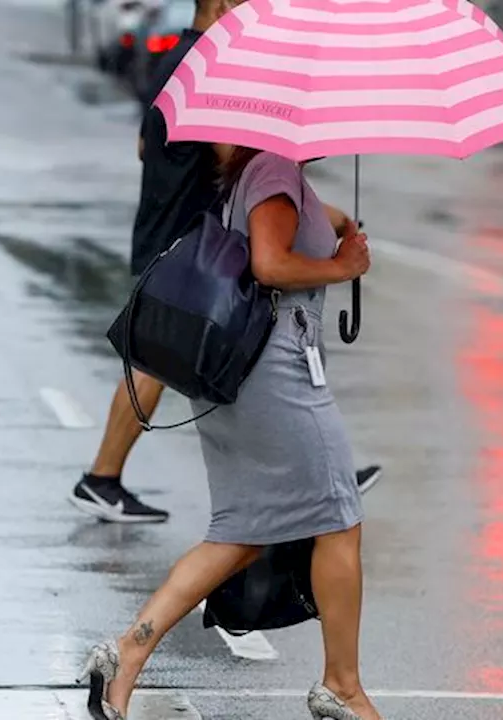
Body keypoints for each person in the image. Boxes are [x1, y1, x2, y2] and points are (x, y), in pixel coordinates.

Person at [76, 147, 384, 720]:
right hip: (277, 375)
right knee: (339, 517)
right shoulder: (273, 169)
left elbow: (291, 225)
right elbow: (270, 264)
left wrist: (338, 224)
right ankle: (342, 685)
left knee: (240, 532)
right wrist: (343, 268)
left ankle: (125, 654)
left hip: (241, 373)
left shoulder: (262, 173)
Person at [68, 0, 382, 524]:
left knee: (179, 361)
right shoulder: (212, 63)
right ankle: (101, 477)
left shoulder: (181, 61)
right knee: (160, 364)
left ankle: (316, 469)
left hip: (175, 232)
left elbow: (147, 143)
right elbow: (238, 156)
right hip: (187, 243)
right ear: (220, 4)